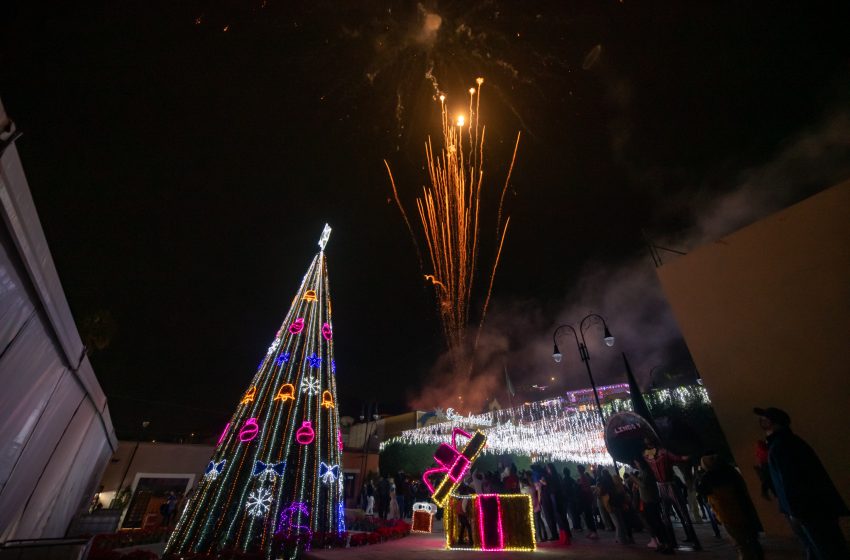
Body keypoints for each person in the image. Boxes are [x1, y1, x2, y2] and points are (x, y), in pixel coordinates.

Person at [755, 407, 849, 560]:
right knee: (818, 548)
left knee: (826, 550)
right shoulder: (783, 443)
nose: (761, 421)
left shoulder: (782, 445)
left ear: (775, 423)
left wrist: (795, 510)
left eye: (765, 419)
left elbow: (792, 481)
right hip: (805, 509)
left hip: (809, 510)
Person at [697, 453, 764, 560]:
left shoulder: (708, 477)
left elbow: (701, 490)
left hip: (727, 513)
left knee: (740, 542)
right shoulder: (730, 471)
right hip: (743, 508)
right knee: (751, 539)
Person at [643, 438, 702, 550]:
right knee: (666, 516)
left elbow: (678, 458)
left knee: (682, 514)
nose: (647, 443)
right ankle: (672, 542)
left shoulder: (662, 452)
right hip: (662, 486)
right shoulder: (647, 455)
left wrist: (688, 456)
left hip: (670, 484)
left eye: (648, 441)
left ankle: (693, 541)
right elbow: (678, 458)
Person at [576, 465, 599, 539]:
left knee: (589, 515)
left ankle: (593, 531)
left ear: (579, 470)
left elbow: (586, 489)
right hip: (587, 498)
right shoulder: (583, 477)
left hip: (586, 499)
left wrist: (579, 487)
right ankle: (591, 531)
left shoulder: (583, 477)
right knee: (587, 515)